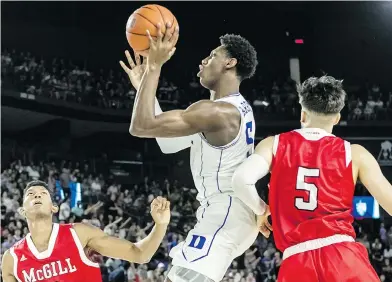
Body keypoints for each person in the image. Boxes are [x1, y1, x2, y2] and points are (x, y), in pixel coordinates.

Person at [120, 23, 265, 282]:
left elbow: (141, 126)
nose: (203, 61)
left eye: (212, 56)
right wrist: (144, 86)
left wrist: (154, 67)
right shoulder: (225, 110)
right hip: (227, 214)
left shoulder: (216, 112)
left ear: (230, 63)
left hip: (226, 213)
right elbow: (166, 142)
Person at [232, 75, 392, 282]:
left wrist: (262, 209)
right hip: (343, 257)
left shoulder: (274, 144)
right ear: (337, 118)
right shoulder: (355, 153)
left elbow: (240, 180)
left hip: (296, 261)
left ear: (303, 114)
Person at [1, 180, 171, 282]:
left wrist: (161, 225)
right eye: (30, 194)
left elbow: (140, 254)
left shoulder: (79, 234)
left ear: (54, 207)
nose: (37, 195)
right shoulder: (11, 259)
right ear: (22, 210)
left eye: (43, 193)